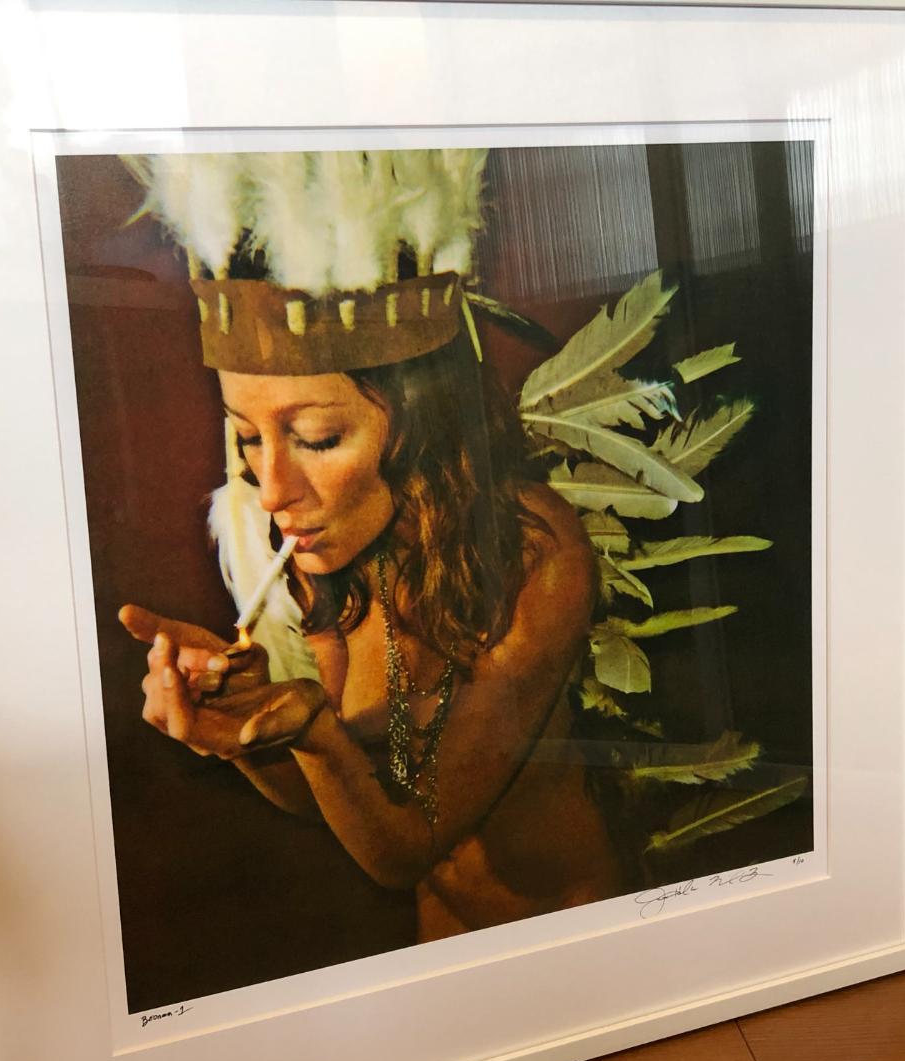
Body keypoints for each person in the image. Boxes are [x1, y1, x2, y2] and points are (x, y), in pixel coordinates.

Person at [115, 149, 623, 942]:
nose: (271, 489)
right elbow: (336, 799)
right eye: (247, 438)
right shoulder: (336, 559)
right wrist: (248, 728)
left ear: (421, 421)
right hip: (441, 944)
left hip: (579, 946)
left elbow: (405, 846)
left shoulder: (533, 549)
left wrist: (312, 732)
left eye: (317, 438)